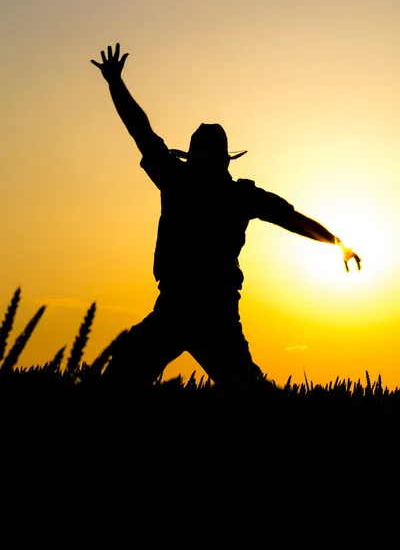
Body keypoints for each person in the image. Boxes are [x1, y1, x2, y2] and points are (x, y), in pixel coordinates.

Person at [91, 43, 361, 393]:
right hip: (208, 313)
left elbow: (140, 131)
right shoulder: (238, 195)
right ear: (226, 161)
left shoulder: (177, 180)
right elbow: (289, 217)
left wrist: (115, 83)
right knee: (246, 391)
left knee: (118, 383)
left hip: (181, 309)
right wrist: (335, 242)